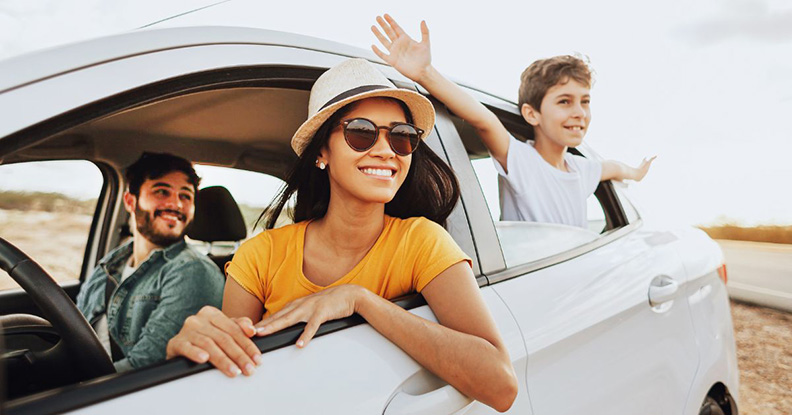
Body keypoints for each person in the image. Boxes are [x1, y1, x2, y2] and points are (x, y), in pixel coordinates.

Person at [165, 58, 518, 412]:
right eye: (362, 132)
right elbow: (229, 378)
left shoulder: (422, 242)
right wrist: (192, 351)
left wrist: (360, 300)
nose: (385, 150)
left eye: (401, 136)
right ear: (321, 151)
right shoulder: (261, 255)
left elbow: (500, 386)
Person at [371, 15, 655, 228]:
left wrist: (636, 173)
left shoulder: (583, 168)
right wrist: (425, 73)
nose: (579, 111)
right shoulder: (522, 161)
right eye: (564, 101)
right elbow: (484, 120)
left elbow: (614, 167)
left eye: (585, 101)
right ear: (532, 114)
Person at [76, 153, 224, 371]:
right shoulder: (111, 263)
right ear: (130, 201)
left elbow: (145, 369)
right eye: (161, 192)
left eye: (185, 196)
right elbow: (74, 328)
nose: (175, 204)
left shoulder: (192, 271)